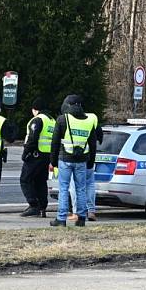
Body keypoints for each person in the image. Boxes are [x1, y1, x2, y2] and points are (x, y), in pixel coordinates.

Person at [49, 94, 96, 227]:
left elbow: (55, 143)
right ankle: (81, 218)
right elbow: (93, 144)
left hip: (65, 159)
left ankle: (61, 218)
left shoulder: (62, 119)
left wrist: (53, 161)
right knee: (81, 188)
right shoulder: (88, 121)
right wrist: (91, 162)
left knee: (63, 188)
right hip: (82, 160)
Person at [19, 98, 55, 218]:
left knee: (25, 179)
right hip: (47, 156)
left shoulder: (37, 120)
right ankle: (42, 208)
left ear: (35, 109)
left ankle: (33, 205)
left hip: (35, 154)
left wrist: (26, 153)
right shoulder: (52, 121)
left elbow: (33, 138)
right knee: (40, 182)